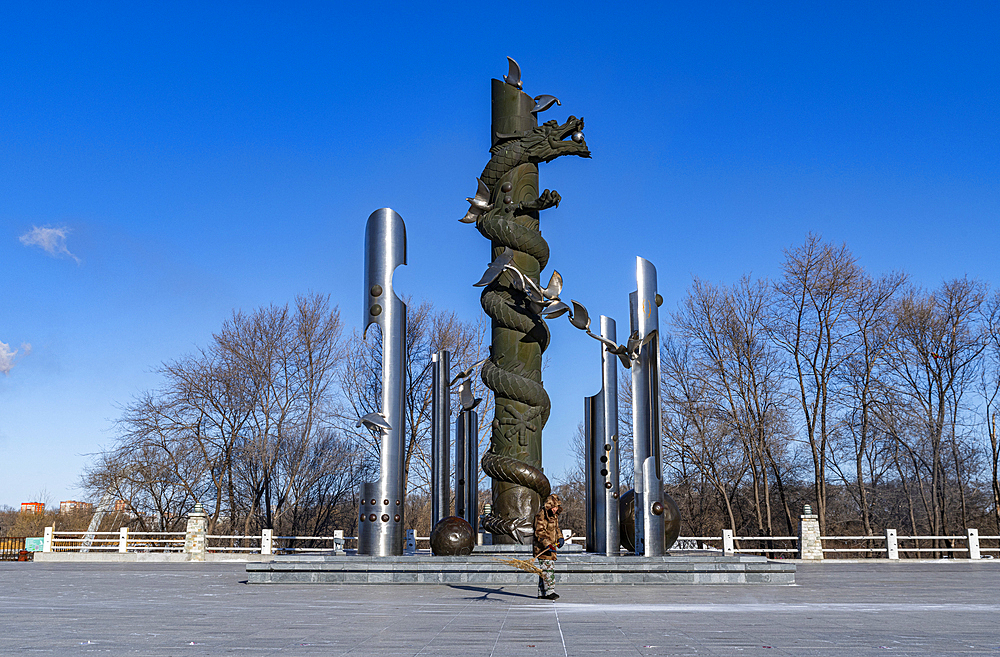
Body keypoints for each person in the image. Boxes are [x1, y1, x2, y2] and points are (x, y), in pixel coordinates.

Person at [533, 493, 563, 600]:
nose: (555, 509)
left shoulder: (554, 516)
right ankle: (550, 592)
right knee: (548, 569)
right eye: (554, 507)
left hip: (552, 547)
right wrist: (547, 544)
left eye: (557, 507)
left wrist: (560, 537)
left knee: (544, 570)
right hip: (543, 549)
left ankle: (542, 593)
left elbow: (557, 529)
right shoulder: (542, 515)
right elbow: (539, 532)